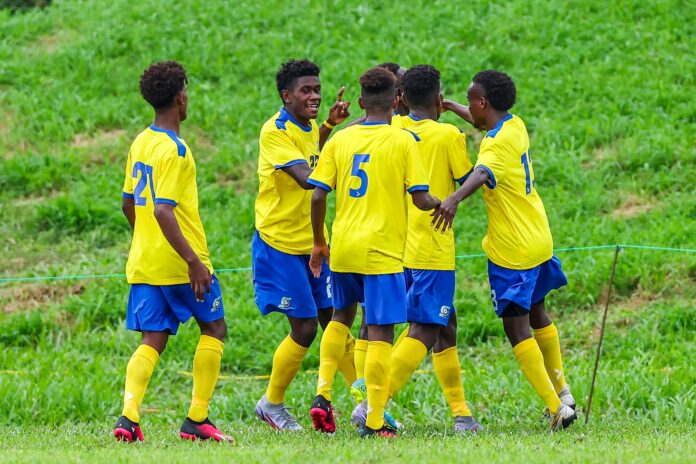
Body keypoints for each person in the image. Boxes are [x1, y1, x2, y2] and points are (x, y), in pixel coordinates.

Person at [431, 70, 577, 431]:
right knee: (539, 313)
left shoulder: (493, 147)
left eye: (469, 99)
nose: (467, 104)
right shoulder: (514, 126)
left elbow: (480, 173)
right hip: (539, 238)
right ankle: (564, 390)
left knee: (517, 327)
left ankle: (557, 407)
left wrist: (452, 199)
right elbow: (482, 124)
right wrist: (450, 106)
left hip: (512, 249)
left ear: (483, 102)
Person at [307, 66, 440, 437]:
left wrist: (320, 242)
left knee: (339, 317)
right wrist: (446, 202)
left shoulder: (341, 140)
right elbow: (421, 196)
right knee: (380, 330)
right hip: (381, 251)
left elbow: (318, 193)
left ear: (362, 101)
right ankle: (375, 419)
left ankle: (323, 392)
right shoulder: (403, 142)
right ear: (397, 100)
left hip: (345, 247)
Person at [114, 61, 233, 443]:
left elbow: (128, 203)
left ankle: (129, 418)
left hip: (146, 261)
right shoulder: (176, 150)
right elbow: (164, 210)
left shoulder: (141, 141)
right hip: (183, 263)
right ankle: (197, 418)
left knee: (153, 338)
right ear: (181, 96)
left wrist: (145, 238)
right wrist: (193, 262)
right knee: (214, 327)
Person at [373, 64, 482, 433]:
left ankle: (461, 413)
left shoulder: (391, 127)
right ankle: (375, 400)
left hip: (393, 243)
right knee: (426, 327)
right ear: (438, 98)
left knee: (445, 324)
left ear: (400, 99)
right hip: (431, 243)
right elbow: (470, 181)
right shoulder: (448, 135)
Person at [252, 59, 353, 431]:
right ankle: (271, 404)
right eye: (306, 91)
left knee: (337, 321)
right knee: (307, 328)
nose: (314, 96)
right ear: (286, 96)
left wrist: (330, 126)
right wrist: (359, 167)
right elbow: (307, 178)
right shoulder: (275, 131)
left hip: (314, 243)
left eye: (316, 89)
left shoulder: (310, 126)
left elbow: (316, 152)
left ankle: (365, 402)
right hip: (279, 244)